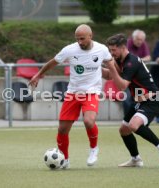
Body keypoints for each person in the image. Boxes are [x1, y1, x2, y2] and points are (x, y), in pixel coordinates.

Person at [29, 24, 113, 169]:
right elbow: (52, 62)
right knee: (62, 129)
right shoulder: (69, 50)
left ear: (90, 36)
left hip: (92, 92)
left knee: (89, 120)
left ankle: (94, 149)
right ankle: (65, 160)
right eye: (77, 39)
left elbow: (112, 66)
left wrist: (118, 75)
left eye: (82, 38)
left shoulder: (102, 49)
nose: (80, 42)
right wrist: (38, 75)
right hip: (73, 93)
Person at [103, 33, 159, 167]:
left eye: (113, 50)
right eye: (109, 50)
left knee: (134, 125)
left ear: (123, 47)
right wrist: (91, 68)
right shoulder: (120, 60)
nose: (111, 53)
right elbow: (109, 75)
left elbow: (122, 86)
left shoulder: (131, 62)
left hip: (153, 99)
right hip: (140, 101)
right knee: (124, 129)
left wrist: (110, 66)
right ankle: (136, 159)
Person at [123, 29, 151, 116]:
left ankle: (136, 117)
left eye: (141, 40)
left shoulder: (143, 44)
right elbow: (125, 57)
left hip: (138, 78)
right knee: (126, 99)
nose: (140, 42)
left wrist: (137, 60)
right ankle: (127, 118)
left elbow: (148, 57)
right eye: (138, 39)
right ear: (133, 38)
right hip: (127, 77)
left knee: (140, 99)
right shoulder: (127, 43)